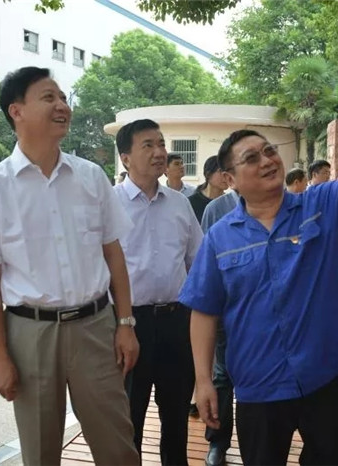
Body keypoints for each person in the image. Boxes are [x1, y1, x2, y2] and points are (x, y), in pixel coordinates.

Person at [179, 59, 338, 465]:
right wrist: (204, 380)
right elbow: (204, 311)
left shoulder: (321, 206)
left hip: (326, 377)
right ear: (230, 179)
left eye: (269, 151)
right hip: (259, 384)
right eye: (251, 158)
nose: (267, 160)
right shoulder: (220, 239)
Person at [0, 67, 139, 465]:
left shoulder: (90, 176)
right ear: (17, 111)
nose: (62, 106)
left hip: (96, 327)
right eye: (49, 97)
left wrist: (126, 324)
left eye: (63, 97)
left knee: (118, 446)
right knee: (40, 451)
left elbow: (114, 255)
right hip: (31, 334)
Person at [113, 119, 203, 465]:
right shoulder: (109, 204)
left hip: (176, 322)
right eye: (148, 145)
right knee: (128, 417)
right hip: (128, 325)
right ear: (125, 158)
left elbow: (198, 262)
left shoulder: (180, 204)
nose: (159, 152)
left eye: (161, 144)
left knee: (177, 415)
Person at [199, 188, 240, 466]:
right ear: (228, 176)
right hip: (227, 309)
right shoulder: (215, 209)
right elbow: (204, 260)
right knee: (223, 376)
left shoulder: (278, 204)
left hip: (264, 313)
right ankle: (218, 442)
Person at [187, 156, 228, 223]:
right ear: (208, 174)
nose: (226, 176)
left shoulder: (231, 203)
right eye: (220, 171)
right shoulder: (191, 203)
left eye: (228, 171)